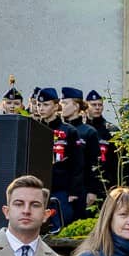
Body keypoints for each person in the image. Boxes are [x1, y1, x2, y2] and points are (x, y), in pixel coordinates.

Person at [33, 87, 84, 226]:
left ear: (56, 106)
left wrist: (74, 191)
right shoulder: (33, 129)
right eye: (38, 105)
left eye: (45, 105)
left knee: (59, 223)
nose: (41, 108)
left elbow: (77, 164)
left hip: (61, 188)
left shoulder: (69, 131)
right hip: (37, 187)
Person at [60, 87, 103, 207]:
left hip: (81, 188)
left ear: (76, 107)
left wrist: (92, 190)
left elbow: (94, 163)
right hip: (61, 186)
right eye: (61, 103)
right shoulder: (59, 129)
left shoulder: (88, 132)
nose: (61, 106)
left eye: (65, 103)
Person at [84, 90, 120, 190]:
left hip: (106, 182)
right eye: (93, 105)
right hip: (85, 182)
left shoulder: (111, 130)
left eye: (100, 105)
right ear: (86, 106)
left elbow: (118, 161)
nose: (97, 107)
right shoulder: (81, 129)